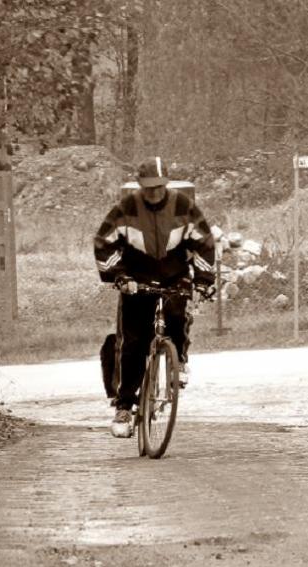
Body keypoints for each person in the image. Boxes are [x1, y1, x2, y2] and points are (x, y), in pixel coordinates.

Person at [94, 157, 216, 438]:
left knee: (177, 315)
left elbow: (205, 243)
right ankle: (124, 406)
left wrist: (202, 281)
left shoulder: (184, 207)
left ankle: (178, 361)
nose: (154, 192)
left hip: (175, 277)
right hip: (136, 281)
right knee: (132, 343)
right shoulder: (126, 209)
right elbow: (104, 243)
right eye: (148, 187)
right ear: (140, 185)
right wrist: (119, 276)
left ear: (166, 184)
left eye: (159, 186)